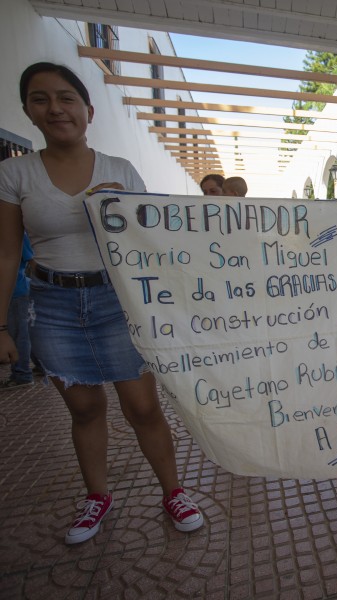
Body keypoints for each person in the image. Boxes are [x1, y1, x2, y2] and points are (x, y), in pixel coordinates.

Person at [0, 62, 204, 545]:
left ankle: (172, 490)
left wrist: (125, 213)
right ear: (28, 110)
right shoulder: (14, 172)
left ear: (88, 110)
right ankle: (97, 496)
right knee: (85, 410)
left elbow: (153, 242)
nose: (55, 108)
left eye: (67, 98)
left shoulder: (120, 170)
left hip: (116, 302)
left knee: (142, 407)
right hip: (51, 306)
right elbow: (7, 252)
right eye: (41, 98)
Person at [0, 234, 34, 389]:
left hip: (17, 293)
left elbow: (32, 260)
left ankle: (22, 375)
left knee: (19, 334)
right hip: (9, 294)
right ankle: (38, 367)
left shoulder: (17, 234)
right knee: (23, 333)